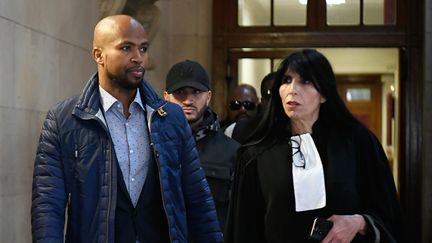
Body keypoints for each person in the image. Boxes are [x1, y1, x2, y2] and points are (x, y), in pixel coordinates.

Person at [31, 15, 222, 243]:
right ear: (99, 55)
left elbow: (198, 197)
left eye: (143, 48)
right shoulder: (64, 120)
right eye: (126, 48)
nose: (138, 58)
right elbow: (48, 204)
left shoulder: (171, 118)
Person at [225, 49, 403, 243]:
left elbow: (388, 214)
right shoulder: (256, 154)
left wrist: (360, 222)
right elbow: (244, 229)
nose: (292, 89)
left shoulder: (358, 144)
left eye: (305, 81)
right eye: (286, 80)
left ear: (324, 94)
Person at [163, 60, 240, 229]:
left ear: (208, 97)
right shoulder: (152, 145)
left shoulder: (232, 151)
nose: (188, 100)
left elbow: (240, 215)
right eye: (180, 92)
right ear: (166, 97)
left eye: (196, 92)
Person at [231, 72, 276, 144]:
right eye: (236, 105)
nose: (242, 109)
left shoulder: (297, 128)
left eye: (248, 104)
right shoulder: (236, 130)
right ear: (262, 101)